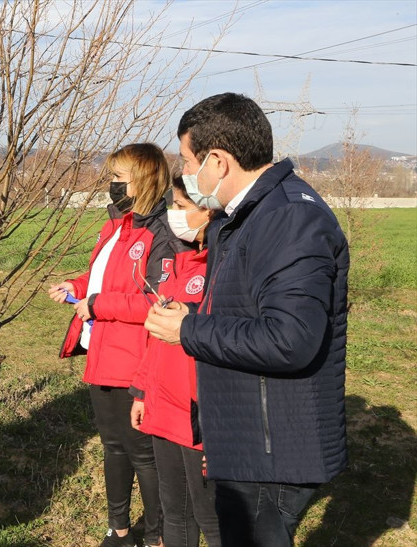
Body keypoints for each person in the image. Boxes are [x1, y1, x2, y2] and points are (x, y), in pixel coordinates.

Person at [145, 93, 349, 546]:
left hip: (270, 451)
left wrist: (188, 330)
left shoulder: (289, 218)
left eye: (187, 160)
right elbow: (251, 311)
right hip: (251, 437)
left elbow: (290, 338)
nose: (185, 174)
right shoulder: (251, 215)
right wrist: (194, 314)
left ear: (218, 161)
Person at [49, 142, 182, 547]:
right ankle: (119, 530)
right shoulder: (115, 226)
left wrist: (98, 304)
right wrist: (76, 288)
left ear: (142, 180)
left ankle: (157, 536)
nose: (111, 186)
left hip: (135, 359)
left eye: (117, 179)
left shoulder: (161, 233)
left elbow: (156, 300)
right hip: (102, 352)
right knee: (113, 448)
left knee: (144, 455)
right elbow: (102, 280)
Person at [130, 177, 220, 547]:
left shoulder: (220, 267)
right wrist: (140, 391)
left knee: (210, 516)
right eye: (172, 206)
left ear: (210, 212)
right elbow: (155, 337)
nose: (173, 216)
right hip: (163, 406)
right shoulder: (177, 265)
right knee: (175, 511)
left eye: (182, 208)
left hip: (199, 415)